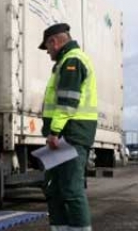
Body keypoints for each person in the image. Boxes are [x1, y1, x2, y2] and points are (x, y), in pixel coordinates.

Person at [39, 23, 98, 231]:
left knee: (71, 190)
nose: (47, 52)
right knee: (54, 189)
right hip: (63, 135)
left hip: (70, 135)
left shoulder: (73, 60)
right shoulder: (66, 60)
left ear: (54, 41)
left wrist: (54, 132)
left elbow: (67, 102)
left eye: (47, 47)